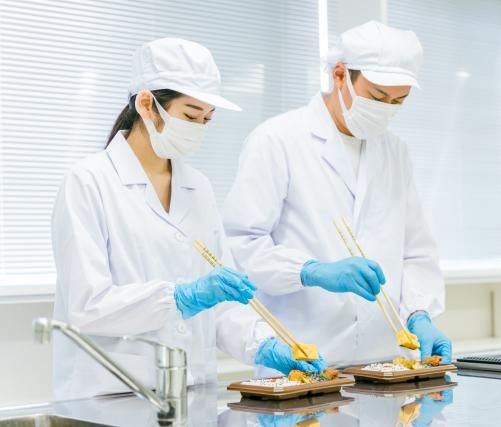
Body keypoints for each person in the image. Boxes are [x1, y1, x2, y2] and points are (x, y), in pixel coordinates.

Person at [51, 38, 324, 399]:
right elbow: (88, 305)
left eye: (207, 119)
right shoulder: (88, 182)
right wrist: (178, 298)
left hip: (191, 392)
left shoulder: (198, 188)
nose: (199, 128)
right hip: (112, 394)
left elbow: (221, 307)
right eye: (191, 116)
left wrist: (265, 345)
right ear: (146, 104)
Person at [223, 21, 451, 373]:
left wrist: (419, 312)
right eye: (377, 97)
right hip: (304, 361)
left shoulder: (394, 151)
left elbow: (416, 251)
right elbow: (240, 245)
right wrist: (309, 271)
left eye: (398, 101)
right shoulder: (277, 140)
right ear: (340, 75)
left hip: (384, 364)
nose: (386, 109)